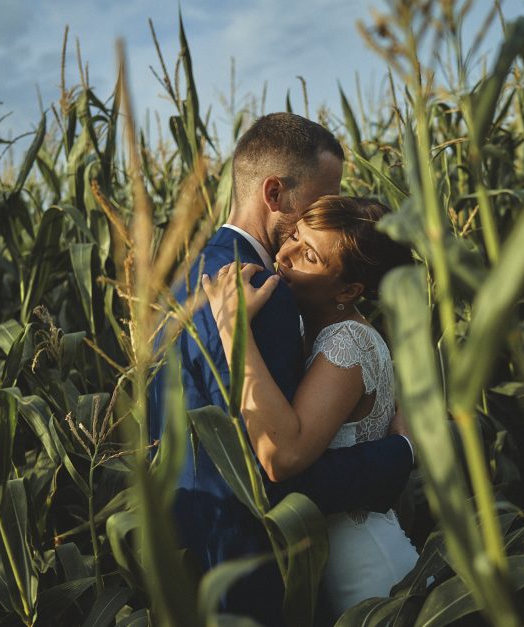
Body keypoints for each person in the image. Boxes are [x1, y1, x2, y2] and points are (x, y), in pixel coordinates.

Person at [147, 113, 415, 626]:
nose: (328, 211)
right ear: (275, 193)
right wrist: (398, 453)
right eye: (320, 198)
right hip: (251, 565)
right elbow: (275, 465)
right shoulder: (264, 295)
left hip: (189, 553)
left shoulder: (182, 280)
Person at [201, 195, 419, 619]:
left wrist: (232, 329)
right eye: (296, 236)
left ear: (349, 289)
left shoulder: (347, 344)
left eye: (310, 255)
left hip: (369, 574)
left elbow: (282, 455)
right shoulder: (311, 327)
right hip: (332, 567)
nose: (285, 255)